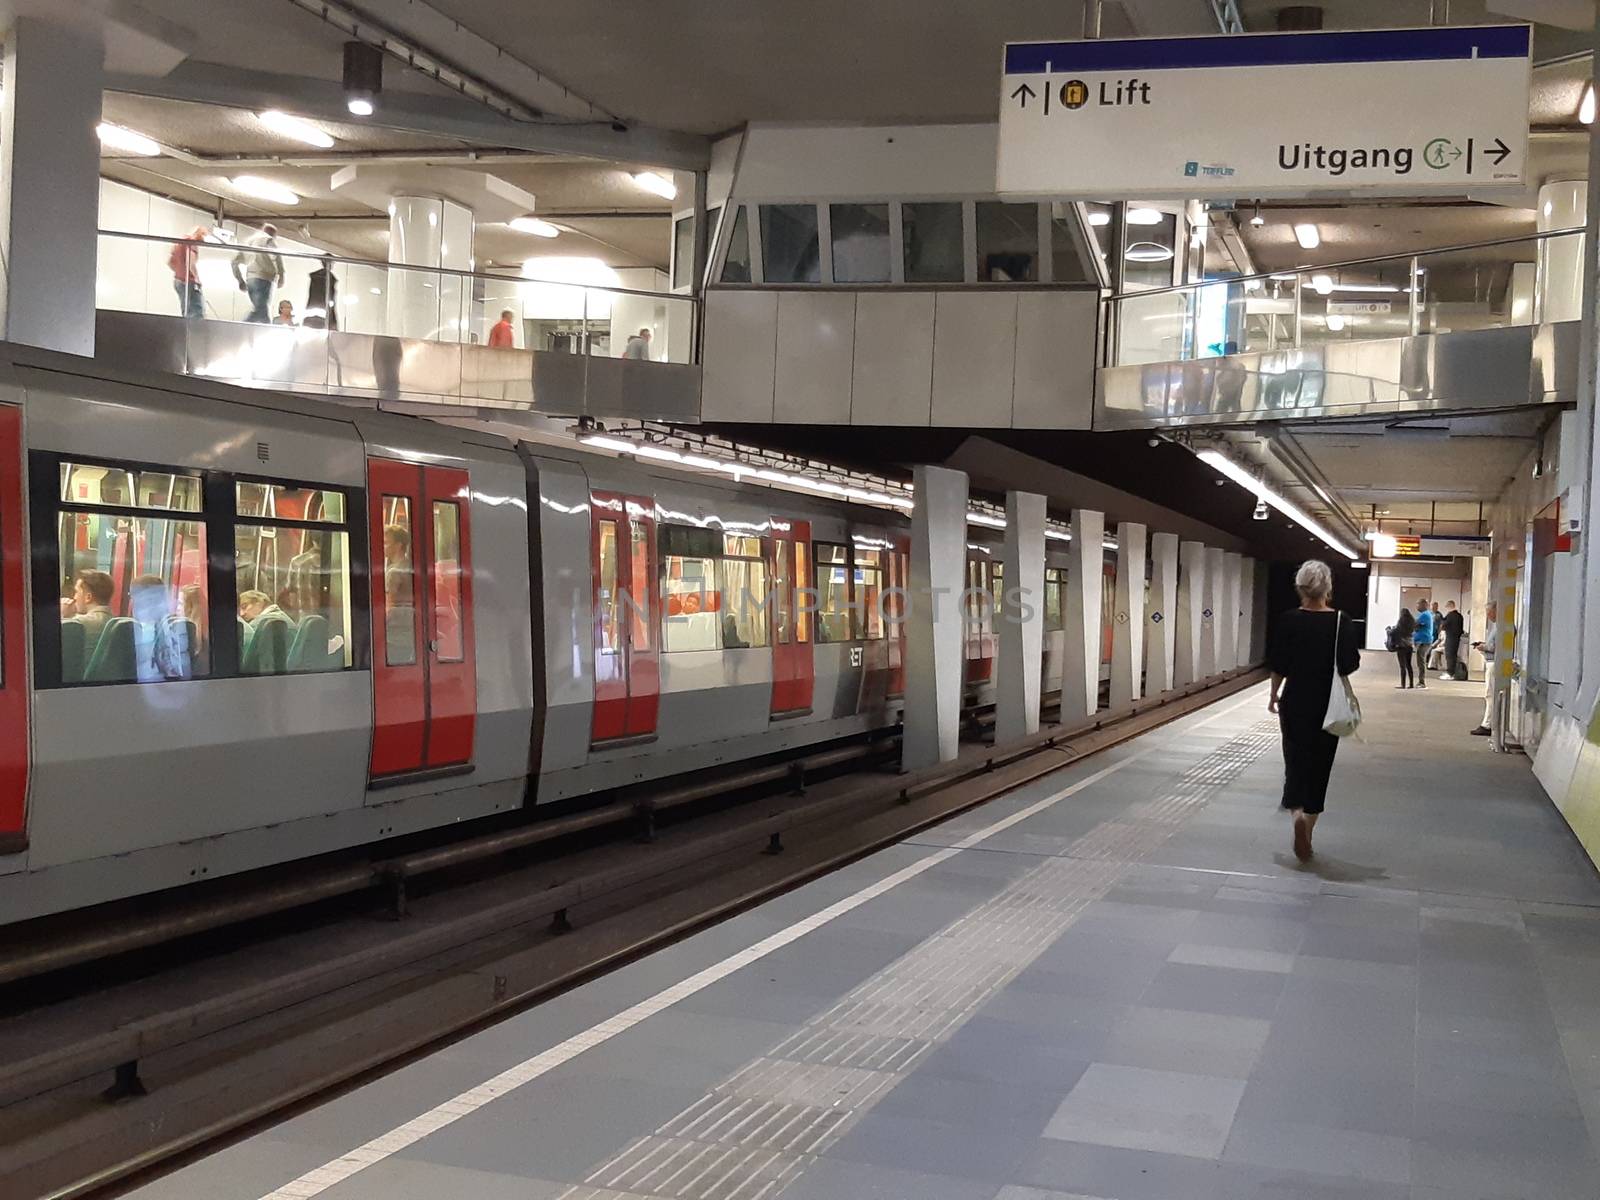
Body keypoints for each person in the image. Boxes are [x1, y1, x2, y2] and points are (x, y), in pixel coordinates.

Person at [1268, 560, 1361, 862]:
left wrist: (1273, 694)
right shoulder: (1341, 622)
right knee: (1320, 767)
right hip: (1327, 704)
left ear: (1300, 587)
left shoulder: (1288, 620)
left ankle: (1295, 814)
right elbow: (1349, 664)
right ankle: (1307, 827)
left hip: (1294, 701)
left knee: (1295, 762)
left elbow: (1279, 664)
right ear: (1328, 589)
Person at [231, 223, 286, 323]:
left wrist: (240, 280)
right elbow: (277, 256)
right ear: (271, 233)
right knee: (260, 310)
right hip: (264, 278)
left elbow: (234, 262)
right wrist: (281, 275)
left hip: (250, 279)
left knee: (261, 310)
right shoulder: (268, 240)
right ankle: (242, 327)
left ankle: (266, 331)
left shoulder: (248, 241)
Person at [63, 569, 116, 646]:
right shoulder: (115, 622)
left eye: (77, 592)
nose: (74, 597)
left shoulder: (78, 624)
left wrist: (62, 615)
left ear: (88, 597)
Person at [1471, 602, 1499, 736]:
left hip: (1494, 663)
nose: (1488, 616)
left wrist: (1485, 647)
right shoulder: (1496, 626)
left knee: (1490, 695)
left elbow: (1498, 647)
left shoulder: (1502, 627)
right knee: (1489, 694)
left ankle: (1488, 724)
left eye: (1489, 613)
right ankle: (1488, 723)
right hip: (1490, 661)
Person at [169, 226, 208, 319]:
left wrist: (179, 271)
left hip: (178, 281)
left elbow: (170, 263)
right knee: (198, 312)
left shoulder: (179, 242)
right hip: (188, 282)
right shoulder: (192, 243)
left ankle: (186, 332)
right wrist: (197, 279)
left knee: (186, 311)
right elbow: (190, 264)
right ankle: (196, 333)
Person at [383, 524, 414, 606]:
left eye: (386, 543)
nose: (383, 547)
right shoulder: (410, 565)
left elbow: (388, 604)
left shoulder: (393, 572)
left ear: (398, 545)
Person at [304, 255, 339, 330]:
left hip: (313, 314)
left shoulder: (316, 277)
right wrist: (333, 321)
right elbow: (331, 300)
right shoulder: (329, 278)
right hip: (323, 315)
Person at [1392, 603, 1416, 689]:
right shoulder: (1412, 622)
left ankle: (1403, 684)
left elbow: (1395, 632)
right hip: (1409, 645)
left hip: (1401, 646)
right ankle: (1411, 684)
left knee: (1402, 666)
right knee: (1409, 665)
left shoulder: (1401, 623)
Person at [1412, 602, 1434, 689]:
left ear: (1423, 605)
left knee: (1421, 661)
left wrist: (1415, 626)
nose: (1416, 606)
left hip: (1424, 641)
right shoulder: (1425, 614)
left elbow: (1415, 624)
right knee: (1420, 660)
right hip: (1422, 640)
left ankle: (1422, 682)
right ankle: (1421, 681)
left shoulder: (1424, 615)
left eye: (1418, 604)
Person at [1441, 600, 1465, 678]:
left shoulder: (1450, 616)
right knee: (1454, 655)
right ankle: (1453, 673)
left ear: (1449, 606)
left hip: (1450, 637)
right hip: (1457, 638)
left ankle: (1450, 673)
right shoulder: (1460, 616)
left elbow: (1443, 626)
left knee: (1449, 655)